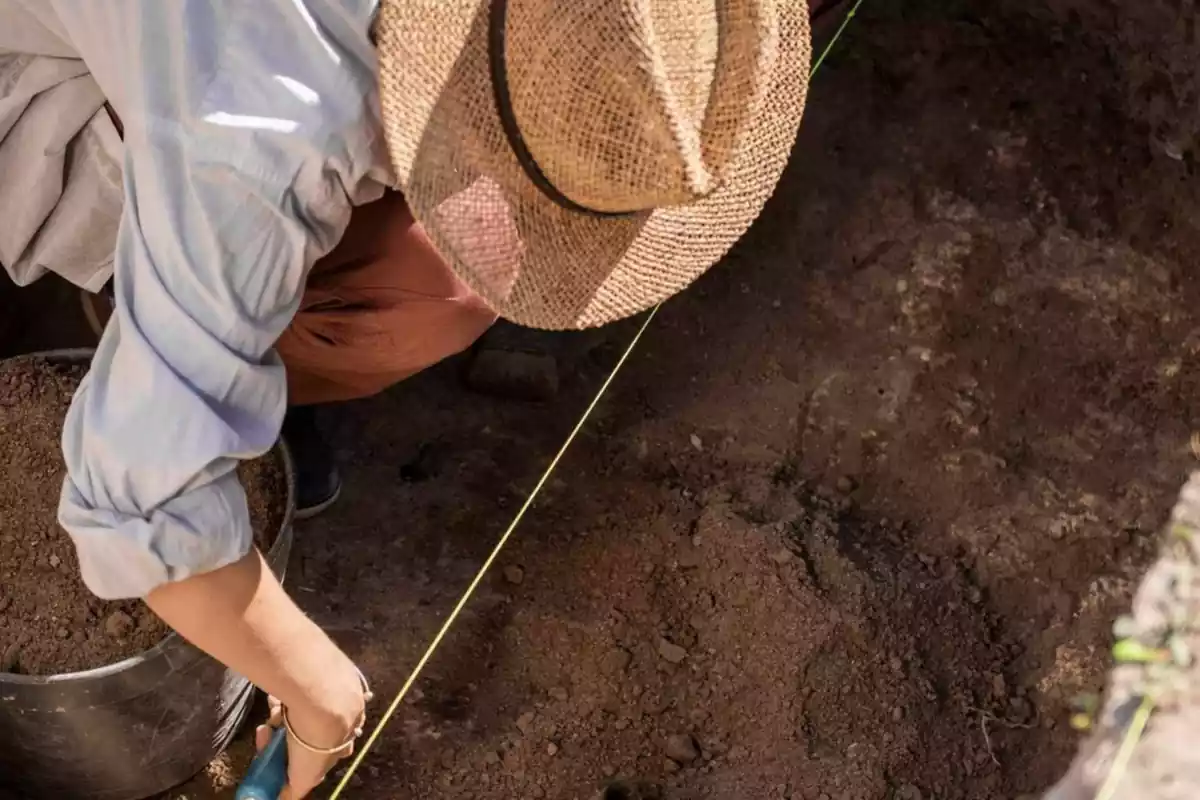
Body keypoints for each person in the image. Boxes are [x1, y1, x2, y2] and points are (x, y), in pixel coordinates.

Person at [0, 1, 814, 797]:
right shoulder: (261, 123)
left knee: (460, 262)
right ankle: (152, 303)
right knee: (420, 289)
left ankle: (214, 323)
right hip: (39, 90)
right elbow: (134, 494)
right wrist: (321, 690)